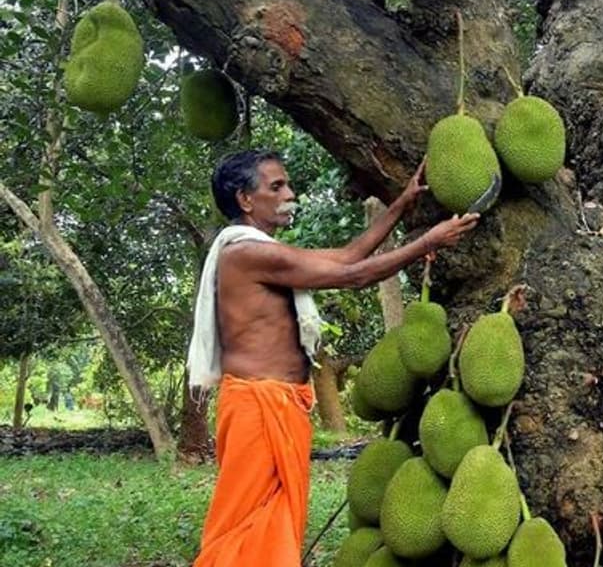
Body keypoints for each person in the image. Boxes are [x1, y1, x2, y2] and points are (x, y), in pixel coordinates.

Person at [187, 148, 477, 567]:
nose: (290, 192)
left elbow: (346, 256)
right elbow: (352, 276)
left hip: (280, 405)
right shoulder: (247, 253)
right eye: (277, 186)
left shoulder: (265, 251)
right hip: (258, 406)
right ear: (245, 199)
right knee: (243, 529)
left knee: (272, 524)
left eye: (287, 183)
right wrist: (428, 242)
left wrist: (401, 204)